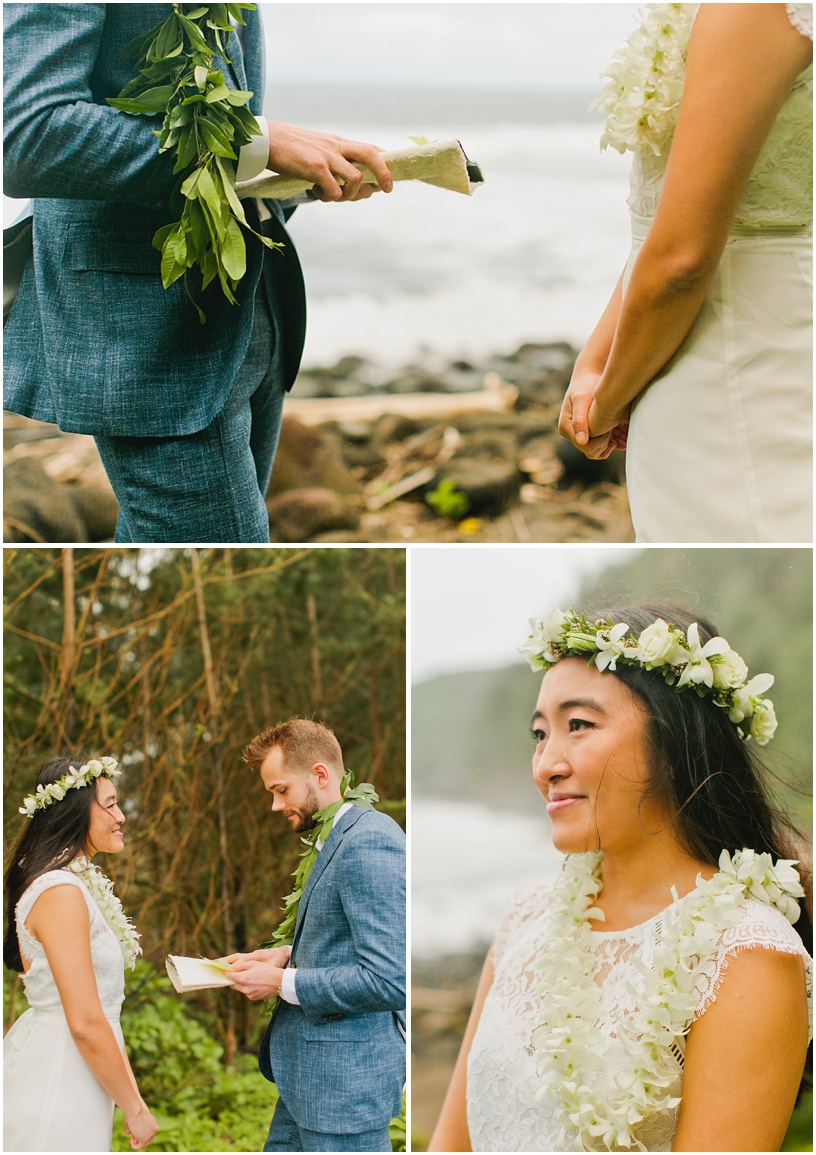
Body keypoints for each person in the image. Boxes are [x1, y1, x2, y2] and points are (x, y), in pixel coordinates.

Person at [3, 3, 392, 544]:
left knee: (184, 564)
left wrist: (305, 170)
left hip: (252, 302)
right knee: (214, 569)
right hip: (145, 327)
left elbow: (233, 130)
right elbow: (30, 137)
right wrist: (253, 143)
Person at [429, 605, 812, 1152]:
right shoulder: (525, 921)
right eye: (540, 734)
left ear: (675, 744)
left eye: (579, 725)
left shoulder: (747, 953)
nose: (546, 765)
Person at [559, 5, 813, 542]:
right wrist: (598, 362)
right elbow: (663, 226)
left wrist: (605, 402)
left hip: (734, 354)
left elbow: (683, 257)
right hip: (705, 334)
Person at [227, 717, 405, 1152]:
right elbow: (350, 939)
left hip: (344, 1092)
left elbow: (389, 979)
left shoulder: (370, 842)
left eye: (280, 790)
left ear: (320, 775)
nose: (274, 805)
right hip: (307, 1086)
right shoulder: (335, 838)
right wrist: (287, 955)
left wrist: (281, 983)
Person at [3, 756, 158, 1152]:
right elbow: (87, 1022)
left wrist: (128, 1097)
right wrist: (136, 1109)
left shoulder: (74, 883)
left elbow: (103, 1015)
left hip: (84, 1075)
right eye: (109, 805)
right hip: (59, 1073)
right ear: (73, 812)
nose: (121, 816)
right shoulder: (60, 892)